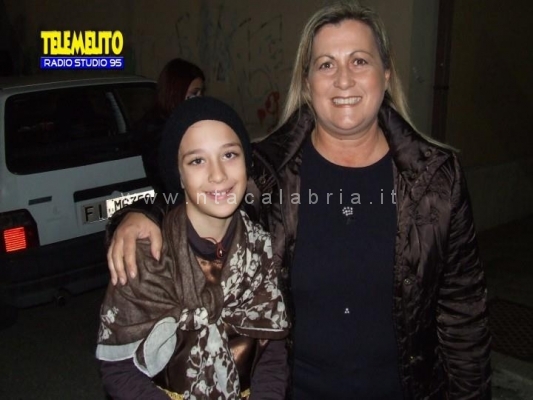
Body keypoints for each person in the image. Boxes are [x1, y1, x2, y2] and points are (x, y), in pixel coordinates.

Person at [106, 1, 492, 399]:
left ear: (386, 74)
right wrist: (139, 215)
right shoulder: (265, 172)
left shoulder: (436, 178)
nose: (343, 79)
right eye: (326, 64)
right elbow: (198, 195)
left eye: (359, 61)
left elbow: (463, 316)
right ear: (307, 83)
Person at [97, 96, 289, 399]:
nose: (218, 174)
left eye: (229, 154)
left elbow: (272, 350)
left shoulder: (260, 247)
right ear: (179, 175)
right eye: (197, 160)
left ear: (247, 162)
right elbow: (119, 369)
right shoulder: (148, 255)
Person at [135, 58, 205, 194]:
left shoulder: (185, 121)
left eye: (201, 93)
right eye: (193, 95)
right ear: (175, 93)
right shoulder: (159, 130)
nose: (199, 100)